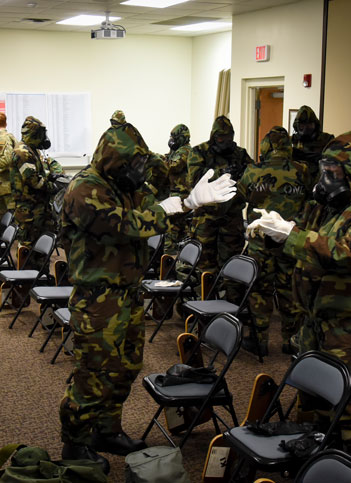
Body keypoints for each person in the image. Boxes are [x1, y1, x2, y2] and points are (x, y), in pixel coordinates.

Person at [59, 112, 236, 473]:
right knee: (94, 372)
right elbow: (128, 224)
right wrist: (181, 204)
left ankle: (106, 431)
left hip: (128, 292)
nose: (140, 171)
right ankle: (75, 443)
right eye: (133, 164)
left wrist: (188, 202)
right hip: (97, 298)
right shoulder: (85, 189)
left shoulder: (128, 185)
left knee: (124, 368)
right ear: (113, 161)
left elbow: (156, 212)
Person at [247, 131, 351, 468]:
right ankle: (317, 467)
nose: (325, 179)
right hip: (315, 322)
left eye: (333, 172)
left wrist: (291, 235)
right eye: (323, 170)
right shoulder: (326, 205)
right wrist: (275, 234)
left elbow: (344, 255)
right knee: (314, 406)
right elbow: (304, 240)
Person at [236, 126, 309, 355]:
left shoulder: (253, 171)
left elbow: (239, 198)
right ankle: (290, 341)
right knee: (290, 290)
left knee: (260, 290)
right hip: (290, 238)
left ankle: (260, 340)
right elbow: (311, 200)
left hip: (261, 241)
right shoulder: (303, 170)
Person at [187, 115, 252, 275]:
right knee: (203, 265)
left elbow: (252, 177)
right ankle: (205, 298)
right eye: (221, 137)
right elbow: (194, 179)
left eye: (229, 136)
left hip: (231, 216)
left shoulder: (240, 154)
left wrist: (241, 173)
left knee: (232, 263)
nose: (225, 141)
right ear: (214, 136)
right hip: (206, 217)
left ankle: (230, 298)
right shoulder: (199, 152)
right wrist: (221, 173)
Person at [10, 116, 54, 247]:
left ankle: (39, 268)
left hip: (37, 207)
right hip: (28, 209)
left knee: (40, 247)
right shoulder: (22, 152)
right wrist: (53, 186)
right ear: (34, 134)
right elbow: (34, 181)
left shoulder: (32, 150)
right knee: (28, 247)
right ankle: (27, 268)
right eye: (41, 134)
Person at [164, 123, 192, 255]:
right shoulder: (176, 151)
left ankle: (169, 255)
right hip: (175, 193)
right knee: (179, 227)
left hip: (182, 194)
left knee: (171, 226)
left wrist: (160, 161)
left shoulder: (186, 150)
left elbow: (174, 166)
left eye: (175, 137)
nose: (172, 141)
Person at [291, 105, 334, 193]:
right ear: (297, 126)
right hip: (297, 186)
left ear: (315, 125)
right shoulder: (291, 141)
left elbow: (334, 162)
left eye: (309, 124)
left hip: (320, 185)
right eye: (302, 125)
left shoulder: (327, 139)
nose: (305, 128)